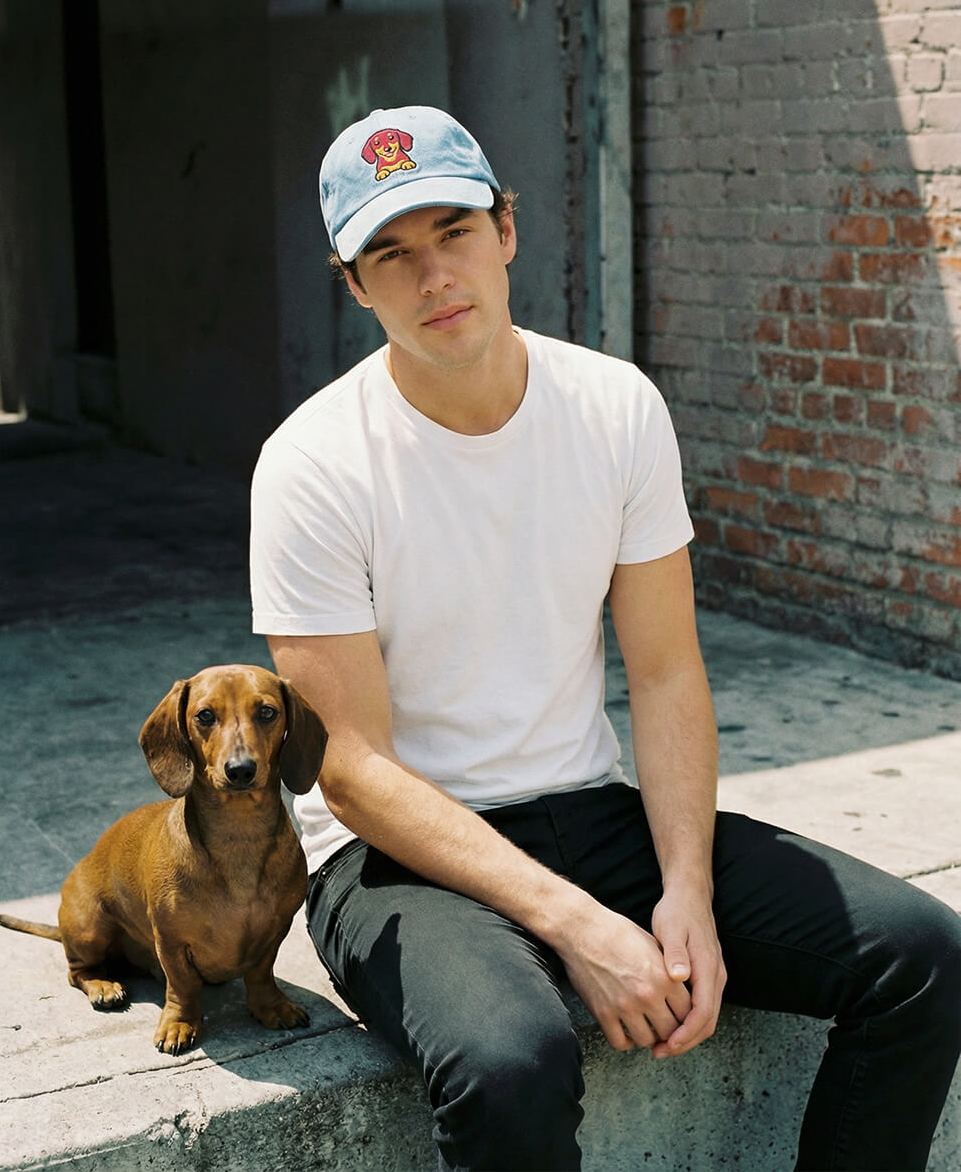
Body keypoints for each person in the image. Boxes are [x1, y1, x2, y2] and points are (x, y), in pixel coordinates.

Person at [250, 105, 960, 1171]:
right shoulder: (312, 463)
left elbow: (667, 673)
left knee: (921, 955)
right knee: (511, 1063)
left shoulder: (612, 407)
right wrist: (579, 927)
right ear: (354, 285)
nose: (433, 275)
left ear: (506, 232)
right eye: (390, 256)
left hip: (586, 810)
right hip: (392, 861)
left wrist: (688, 892)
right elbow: (348, 770)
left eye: (453, 232)